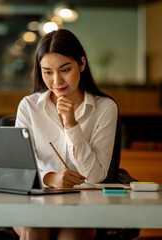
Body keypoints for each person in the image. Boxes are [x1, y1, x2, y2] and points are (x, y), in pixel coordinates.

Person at [14, 29, 118, 240]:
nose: (56, 81)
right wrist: (51, 178)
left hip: (83, 203)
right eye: (48, 72)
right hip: (36, 201)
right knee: (33, 232)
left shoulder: (105, 108)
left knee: (71, 236)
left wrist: (71, 124)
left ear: (81, 63)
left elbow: (96, 176)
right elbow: (19, 169)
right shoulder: (29, 107)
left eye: (65, 70)